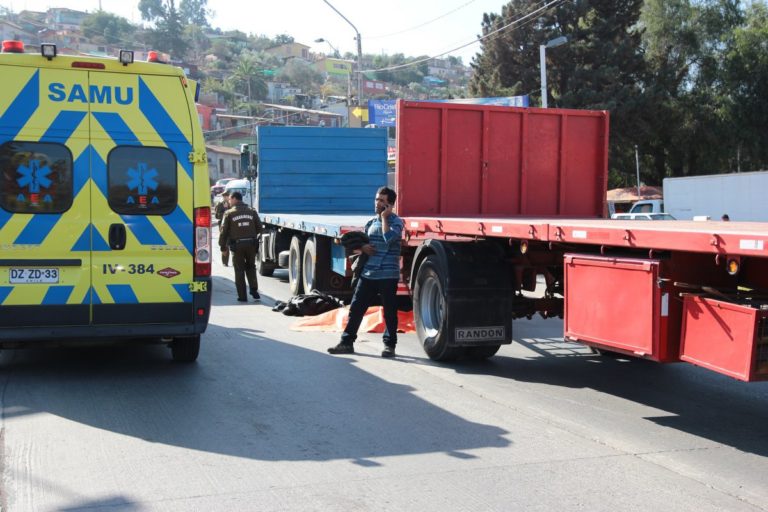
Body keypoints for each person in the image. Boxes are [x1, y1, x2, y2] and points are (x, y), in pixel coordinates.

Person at [328, 186, 404, 358]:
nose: (377, 203)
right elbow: (360, 244)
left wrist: (385, 218)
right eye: (377, 199)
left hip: (388, 275)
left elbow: (389, 238)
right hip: (368, 273)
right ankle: (346, 342)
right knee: (356, 308)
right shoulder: (370, 223)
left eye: (382, 200)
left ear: (390, 204)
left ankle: (389, 346)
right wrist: (363, 247)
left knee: (390, 311)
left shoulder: (397, 222)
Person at [219, 191, 263, 302]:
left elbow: (223, 232)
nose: (228, 201)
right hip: (251, 244)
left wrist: (223, 247)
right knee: (251, 267)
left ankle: (242, 296)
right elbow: (259, 228)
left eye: (229, 199)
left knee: (239, 271)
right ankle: (254, 290)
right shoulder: (252, 211)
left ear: (234, 199)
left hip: (237, 246)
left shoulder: (229, 213)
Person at [214, 191, 231, 266]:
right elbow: (217, 216)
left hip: (232, 226)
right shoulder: (220, 204)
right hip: (223, 226)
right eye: (224, 196)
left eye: (227, 196)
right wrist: (225, 213)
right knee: (225, 244)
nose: (226, 198)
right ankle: (225, 262)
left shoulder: (232, 204)